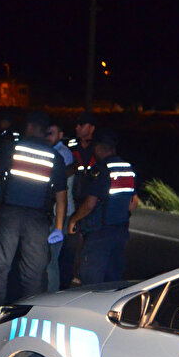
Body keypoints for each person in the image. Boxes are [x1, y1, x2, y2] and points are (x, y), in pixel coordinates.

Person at [0, 110, 68, 308]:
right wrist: (58, 228)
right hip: (38, 219)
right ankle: (28, 313)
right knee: (33, 272)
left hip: (10, 214)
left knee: (1, 265)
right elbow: (61, 197)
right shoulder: (54, 156)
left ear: (29, 127)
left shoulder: (12, 148)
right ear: (45, 130)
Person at [68, 128, 139, 285]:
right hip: (120, 231)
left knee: (90, 282)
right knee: (112, 281)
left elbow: (90, 204)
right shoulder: (128, 168)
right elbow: (134, 201)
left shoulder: (101, 170)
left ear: (99, 148)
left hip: (99, 233)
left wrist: (74, 220)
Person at [61, 112, 98, 285]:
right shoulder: (69, 145)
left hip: (91, 200)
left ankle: (82, 276)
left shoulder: (99, 148)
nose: (76, 128)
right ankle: (67, 276)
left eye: (81, 125)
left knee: (89, 241)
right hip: (72, 198)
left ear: (91, 128)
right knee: (70, 241)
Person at [43, 121, 72, 292]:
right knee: (47, 257)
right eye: (46, 133)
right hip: (54, 212)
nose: (48, 137)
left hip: (60, 213)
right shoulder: (56, 152)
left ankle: (51, 295)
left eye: (51, 133)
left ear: (60, 135)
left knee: (51, 259)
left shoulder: (62, 154)